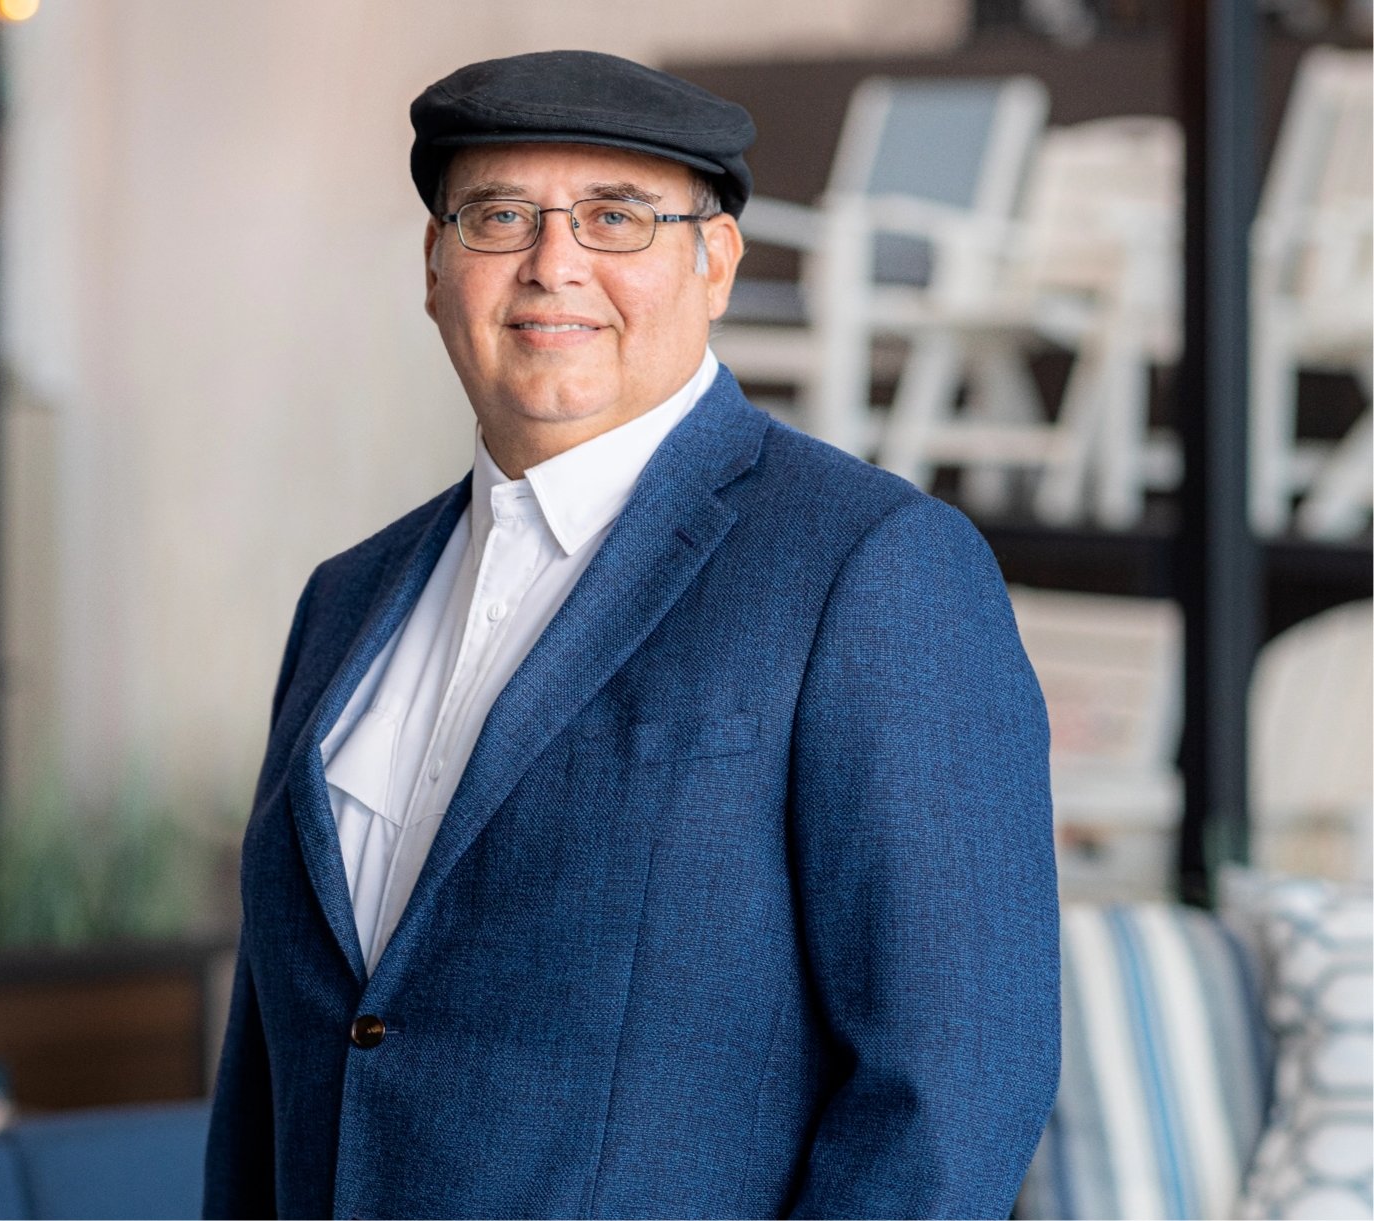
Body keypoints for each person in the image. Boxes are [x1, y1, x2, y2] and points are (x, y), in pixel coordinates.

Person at [203, 49, 1059, 1221]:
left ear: (716, 263)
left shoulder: (869, 565)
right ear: (435, 267)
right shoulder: (344, 601)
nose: (553, 265)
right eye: (500, 216)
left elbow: (952, 1100)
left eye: (617, 217)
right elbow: (273, 1075)